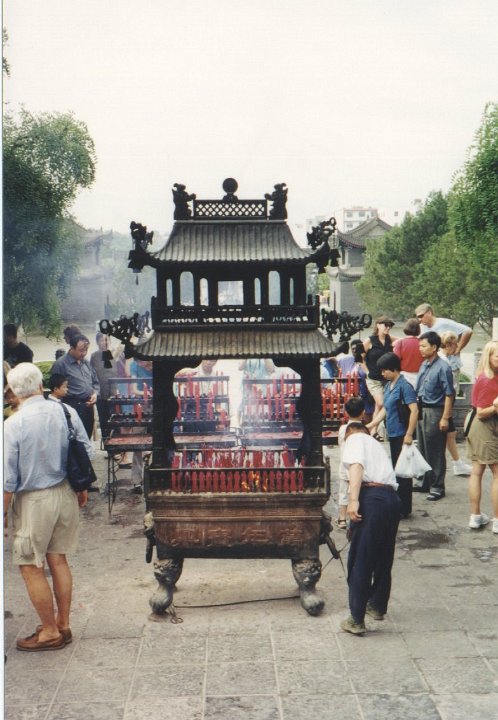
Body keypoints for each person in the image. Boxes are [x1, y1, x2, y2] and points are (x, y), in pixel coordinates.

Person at [3, 363, 91, 651]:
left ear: (15, 391)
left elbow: (8, 478)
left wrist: (3, 513)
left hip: (34, 501)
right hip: (65, 492)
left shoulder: (13, 425)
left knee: (30, 565)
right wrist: (81, 488)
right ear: (41, 385)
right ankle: (63, 623)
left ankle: (50, 632)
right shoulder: (65, 411)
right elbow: (84, 450)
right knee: (58, 559)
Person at [340, 422, 401, 635]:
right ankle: (376, 605)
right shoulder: (375, 445)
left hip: (372, 498)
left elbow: (356, 466)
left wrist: (353, 500)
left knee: (361, 558)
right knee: (384, 555)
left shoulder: (354, 439)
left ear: (349, 433)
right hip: (392, 499)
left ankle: (356, 619)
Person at [367, 353, 418, 517]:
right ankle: (399, 504)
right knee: (397, 469)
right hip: (393, 432)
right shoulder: (389, 385)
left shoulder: (405, 386)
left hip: (402, 433)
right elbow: (386, 408)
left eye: (385, 370)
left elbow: (414, 410)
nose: (383, 374)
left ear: (394, 369)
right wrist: (373, 424)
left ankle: (404, 508)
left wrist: (409, 434)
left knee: (403, 472)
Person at [415, 331, 454, 501]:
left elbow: (449, 394)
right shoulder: (424, 364)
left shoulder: (443, 367)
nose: (420, 349)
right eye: (420, 346)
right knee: (422, 447)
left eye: (423, 346)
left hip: (435, 411)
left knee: (435, 450)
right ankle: (425, 481)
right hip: (421, 409)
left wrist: (445, 417)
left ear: (434, 347)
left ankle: (438, 486)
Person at [465, 340, 498, 533]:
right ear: (489, 357)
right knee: (494, 472)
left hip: (482, 427)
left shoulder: (488, 376)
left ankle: (476, 516)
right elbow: (481, 412)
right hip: (485, 426)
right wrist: (495, 407)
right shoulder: (487, 379)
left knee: (477, 470)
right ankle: (496, 520)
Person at [51, 333, 100, 439]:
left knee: (86, 439)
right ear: (72, 348)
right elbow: (55, 390)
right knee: (74, 441)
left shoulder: (86, 363)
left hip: (88, 407)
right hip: (72, 407)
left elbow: (95, 382)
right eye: (81, 350)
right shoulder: (60, 364)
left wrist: (95, 394)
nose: (84, 353)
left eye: (86, 350)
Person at [439, 331, 472, 476]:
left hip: (446, 401)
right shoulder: (444, 361)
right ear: (449, 344)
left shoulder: (445, 359)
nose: (457, 347)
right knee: (448, 433)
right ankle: (456, 463)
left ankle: (457, 463)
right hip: (444, 402)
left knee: (450, 433)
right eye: (455, 344)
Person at [363, 316, 396, 436]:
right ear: (378, 325)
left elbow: (404, 340)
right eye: (385, 325)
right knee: (382, 403)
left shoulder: (390, 339)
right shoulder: (369, 340)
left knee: (379, 405)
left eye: (390, 326)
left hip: (386, 378)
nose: (388, 328)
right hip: (374, 379)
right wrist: (367, 371)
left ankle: (373, 431)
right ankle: (372, 428)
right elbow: (359, 358)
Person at [336, 397, 366, 529]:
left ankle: (342, 519)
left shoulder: (343, 429)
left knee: (343, 492)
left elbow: (340, 443)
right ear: (363, 412)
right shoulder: (365, 430)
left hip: (345, 465)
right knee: (357, 491)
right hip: (359, 467)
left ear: (346, 413)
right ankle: (357, 516)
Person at [129, 358, 153, 493]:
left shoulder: (156, 363)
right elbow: (134, 389)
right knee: (137, 442)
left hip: (156, 404)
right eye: (138, 362)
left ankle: (156, 476)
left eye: (142, 361)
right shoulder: (134, 366)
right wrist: (145, 393)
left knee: (157, 441)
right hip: (141, 405)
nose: (140, 364)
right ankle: (136, 481)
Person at [393, 318, 423, 388]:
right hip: (419, 375)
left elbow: (395, 360)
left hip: (404, 375)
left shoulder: (400, 343)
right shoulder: (422, 343)